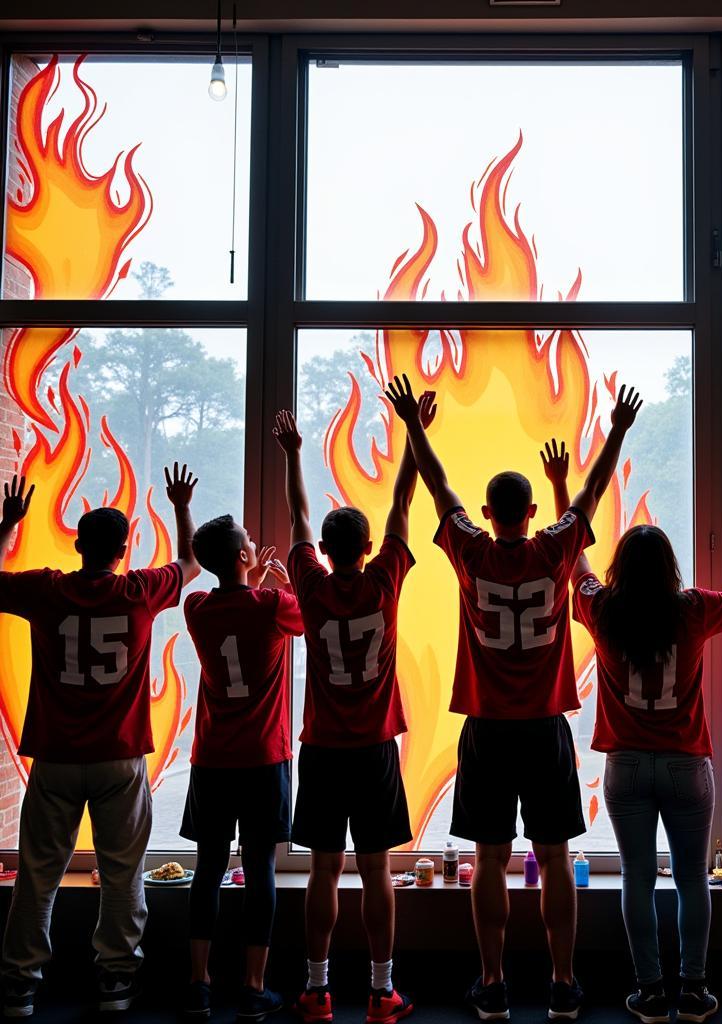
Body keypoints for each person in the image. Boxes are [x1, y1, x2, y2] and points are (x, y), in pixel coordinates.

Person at [386, 373, 643, 1023]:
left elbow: (440, 487)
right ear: (530, 513)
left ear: (489, 510)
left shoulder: (470, 551)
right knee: (555, 857)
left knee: (490, 860)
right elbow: (590, 491)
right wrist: (615, 428)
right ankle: (562, 982)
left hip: (489, 729)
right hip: (544, 728)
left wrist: (414, 425)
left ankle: (493, 982)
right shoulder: (556, 549)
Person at [546, 428, 722, 1023]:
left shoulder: (601, 608)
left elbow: (576, 563)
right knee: (694, 880)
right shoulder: (693, 608)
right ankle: (695, 990)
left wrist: (559, 488)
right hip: (685, 765)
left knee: (637, 879)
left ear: (623, 566)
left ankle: (649, 990)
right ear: (671, 564)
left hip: (625, 764)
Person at [0, 466, 200, 1018]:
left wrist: (8, 527)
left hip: (57, 758)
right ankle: (115, 977)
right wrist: (181, 505)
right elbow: (190, 563)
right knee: (122, 873)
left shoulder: (46, 589)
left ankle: (19, 983)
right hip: (119, 756)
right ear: (123, 548)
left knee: (38, 875)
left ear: (78, 544)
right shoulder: (139, 592)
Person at [274, 397, 434, 1024]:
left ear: (328, 551)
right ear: (368, 548)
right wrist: (412, 431)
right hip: (372, 749)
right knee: (376, 874)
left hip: (322, 749)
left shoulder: (309, 586)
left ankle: (316, 992)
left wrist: (292, 455)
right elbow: (401, 505)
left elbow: (300, 516)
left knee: (321, 874)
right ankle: (379, 991)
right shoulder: (384, 580)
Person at [180, 515, 303, 1021]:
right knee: (261, 871)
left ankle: (198, 984)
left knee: (207, 870)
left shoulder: (197, 608)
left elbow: (222, 595)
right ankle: (254, 988)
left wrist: (247, 575)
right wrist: (281, 580)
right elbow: (310, 611)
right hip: (262, 757)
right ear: (243, 558)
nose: (256, 544)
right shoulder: (273, 607)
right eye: (250, 543)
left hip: (212, 758)